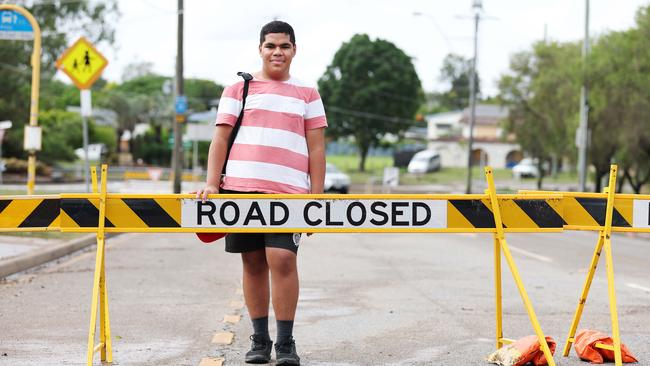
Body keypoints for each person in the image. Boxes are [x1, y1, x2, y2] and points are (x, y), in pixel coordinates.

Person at [195, 20, 327, 365]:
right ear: (260, 49)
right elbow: (220, 139)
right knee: (252, 263)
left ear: (294, 50)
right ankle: (259, 340)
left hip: (290, 196)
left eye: (284, 46)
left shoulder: (308, 94)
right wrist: (212, 182)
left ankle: (285, 342)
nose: (277, 52)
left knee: (282, 259)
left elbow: (317, 150)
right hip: (241, 191)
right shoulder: (238, 89)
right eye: (270, 46)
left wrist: (317, 197)